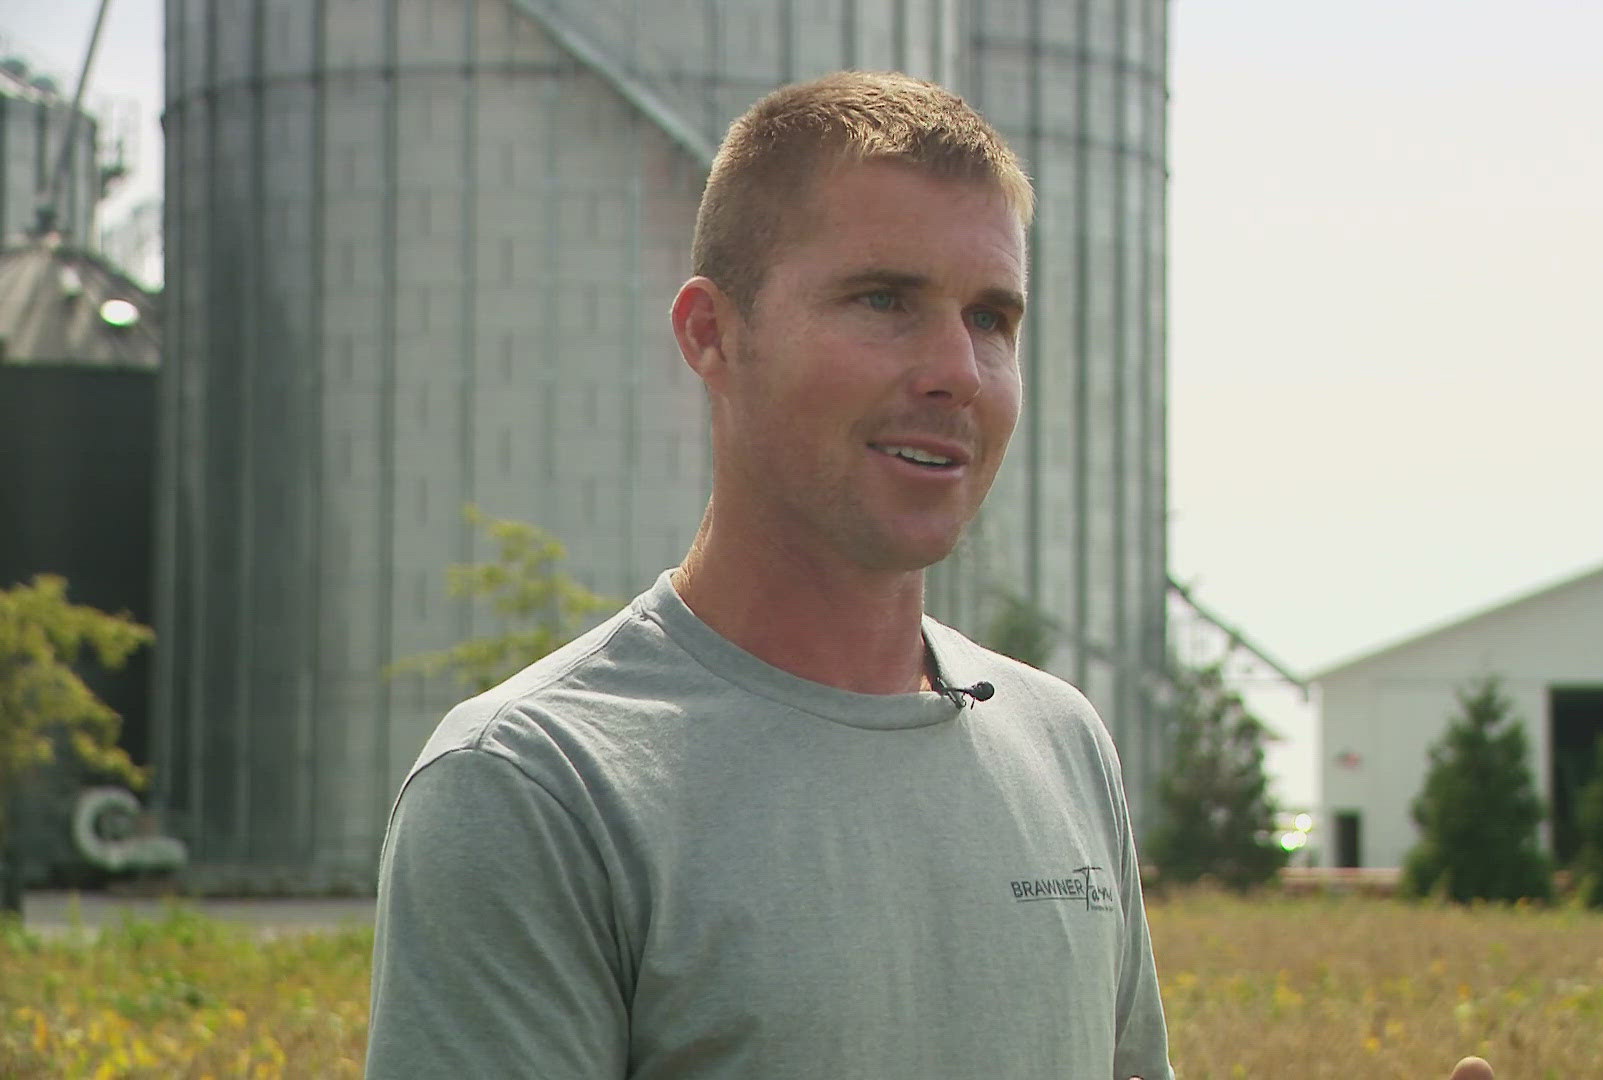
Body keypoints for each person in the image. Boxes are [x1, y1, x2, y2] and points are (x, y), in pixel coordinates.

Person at [366, 71, 1173, 1079]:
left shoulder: (1061, 743)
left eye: (991, 318)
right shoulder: (535, 787)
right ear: (713, 333)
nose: (958, 370)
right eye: (884, 299)